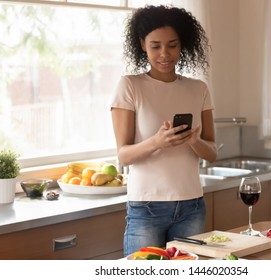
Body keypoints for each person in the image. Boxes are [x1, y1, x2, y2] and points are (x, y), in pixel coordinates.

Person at [111, 5, 217, 256]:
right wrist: (157, 141)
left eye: (172, 45)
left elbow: (211, 152)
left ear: (183, 45)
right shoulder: (130, 86)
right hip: (146, 207)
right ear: (142, 45)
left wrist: (193, 140)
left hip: (191, 205)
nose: (164, 54)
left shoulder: (198, 88)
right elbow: (123, 155)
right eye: (155, 45)